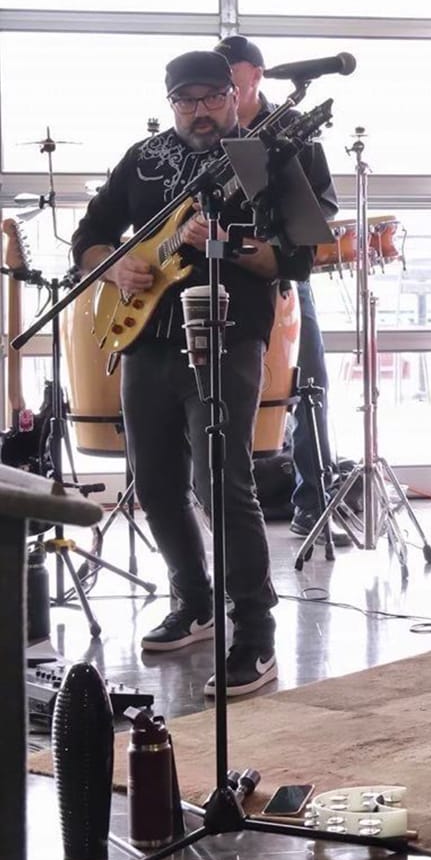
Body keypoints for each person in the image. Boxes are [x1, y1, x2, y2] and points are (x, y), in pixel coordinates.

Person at [71, 50, 331, 696]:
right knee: (155, 482)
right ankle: (194, 601)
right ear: (170, 104)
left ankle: (256, 637)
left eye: (212, 97)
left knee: (223, 483)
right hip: (145, 339)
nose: (200, 111)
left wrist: (228, 244)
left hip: (227, 335)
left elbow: (297, 260)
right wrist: (114, 268)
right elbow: (91, 234)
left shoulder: (269, 158)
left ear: (236, 93)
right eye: (186, 101)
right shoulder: (144, 156)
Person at [215, 36, 339, 536]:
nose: (223, 82)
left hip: (282, 273)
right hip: (221, 275)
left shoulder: (293, 128)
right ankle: (220, 496)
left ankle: (312, 498)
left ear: (256, 75)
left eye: (231, 71)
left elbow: (324, 206)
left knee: (308, 380)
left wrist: (278, 235)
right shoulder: (211, 129)